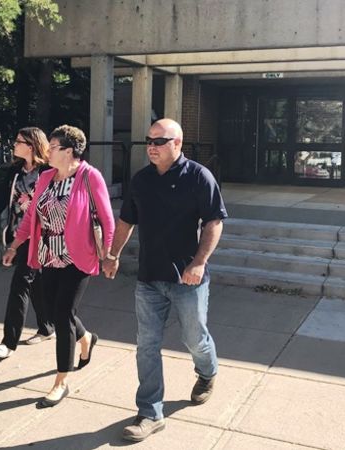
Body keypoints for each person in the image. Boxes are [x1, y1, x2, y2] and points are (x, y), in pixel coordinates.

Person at [103, 118, 228, 442]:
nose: (152, 146)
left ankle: (207, 372)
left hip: (188, 279)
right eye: (149, 140)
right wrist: (113, 254)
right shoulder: (141, 180)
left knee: (194, 338)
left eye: (160, 141)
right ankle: (150, 412)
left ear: (178, 144)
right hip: (149, 278)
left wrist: (199, 263)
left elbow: (214, 222)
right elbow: (126, 221)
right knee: (146, 345)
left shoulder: (199, 177)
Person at [4, 124, 114, 408]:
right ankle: (86, 337)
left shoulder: (90, 177)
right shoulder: (47, 177)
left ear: (69, 151)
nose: (48, 151)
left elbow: (106, 219)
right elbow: (30, 218)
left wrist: (109, 255)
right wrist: (15, 245)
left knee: (63, 314)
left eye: (52, 147)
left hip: (78, 257)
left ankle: (60, 381)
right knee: (54, 311)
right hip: (48, 254)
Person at [0, 127, 54, 359]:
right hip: (18, 235)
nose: (14, 145)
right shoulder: (15, 172)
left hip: (41, 238)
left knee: (20, 283)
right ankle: (47, 326)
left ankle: (8, 343)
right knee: (33, 282)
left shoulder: (49, 171)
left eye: (18, 141)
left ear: (31, 145)